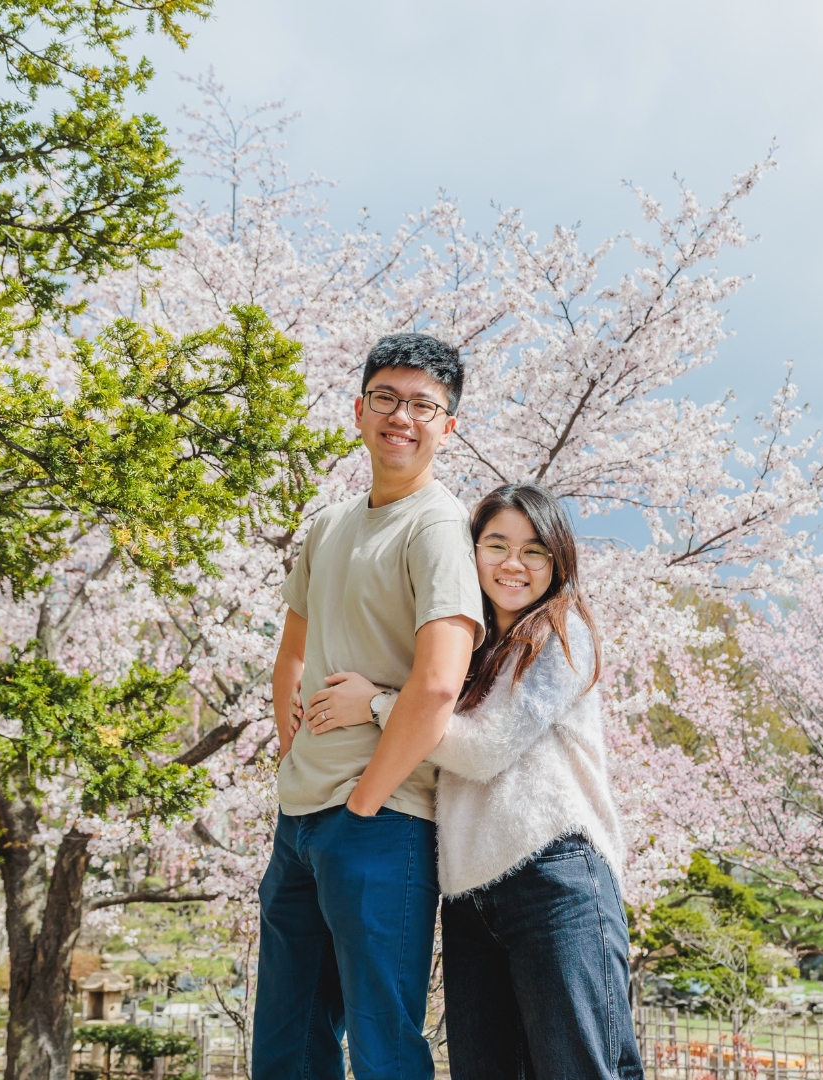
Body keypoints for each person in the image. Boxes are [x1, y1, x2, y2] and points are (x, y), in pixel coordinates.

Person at [294, 483, 645, 1080]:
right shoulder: (467, 650)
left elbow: (486, 751)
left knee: (581, 1068)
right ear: (471, 552)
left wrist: (379, 706)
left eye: (535, 551)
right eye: (497, 544)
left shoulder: (563, 636)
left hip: (554, 879)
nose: (514, 563)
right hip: (467, 897)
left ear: (558, 561)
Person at [253, 333, 485, 1080]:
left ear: (447, 427)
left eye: (424, 405)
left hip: (381, 825)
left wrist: (361, 805)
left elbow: (440, 684)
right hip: (299, 824)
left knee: (385, 1050)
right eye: (386, 398)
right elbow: (291, 651)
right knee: (286, 1049)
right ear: (358, 410)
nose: (401, 416)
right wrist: (293, 753)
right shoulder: (328, 524)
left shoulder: (438, 527)